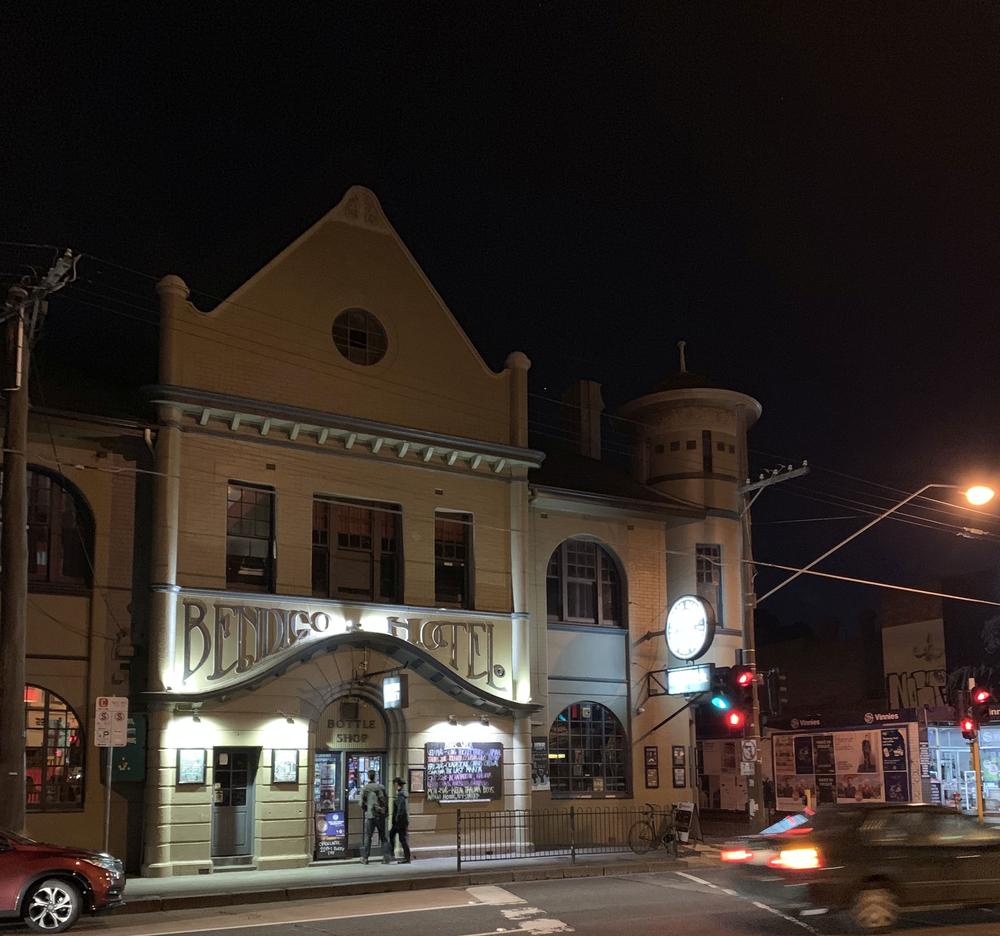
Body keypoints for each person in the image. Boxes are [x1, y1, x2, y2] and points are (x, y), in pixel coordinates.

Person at [359, 769, 390, 864]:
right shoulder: (381, 787)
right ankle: (386, 857)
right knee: (383, 837)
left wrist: (366, 808)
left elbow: (361, 803)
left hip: (370, 816)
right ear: (375, 776)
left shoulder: (365, 788)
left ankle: (365, 858)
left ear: (368, 777)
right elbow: (386, 800)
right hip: (380, 815)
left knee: (368, 837)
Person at [387, 776, 411, 864]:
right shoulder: (400, 794)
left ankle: (400, 856)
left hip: (399, 822)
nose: (394, 786)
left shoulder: (400, 795)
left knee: (399, 838)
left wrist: (397, 818)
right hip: (400, 821)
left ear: (397, 784)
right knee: (394, 836)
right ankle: (405, 857)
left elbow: (401, 808)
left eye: (394, 784)